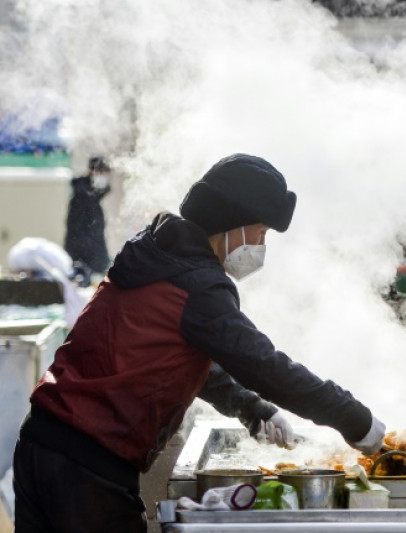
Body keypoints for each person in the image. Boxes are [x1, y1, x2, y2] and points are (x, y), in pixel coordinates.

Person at [13, 154, 386, 532]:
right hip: (88, 468)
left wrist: (254, 409)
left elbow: (176, 358)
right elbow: (263, 365)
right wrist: (354, 419)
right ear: (231, 224)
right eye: (261, 232)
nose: (260, 245)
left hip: (42, 445)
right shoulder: (198, 282)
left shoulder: (156, 252)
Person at [64, 156, 112, 275]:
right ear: (91, 172)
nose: (104, 177)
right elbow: (81, 234)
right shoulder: (83, 197)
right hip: (85, 261)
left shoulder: (93, 197)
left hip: (89, 260)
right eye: (101, 172)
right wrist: (98, 262)